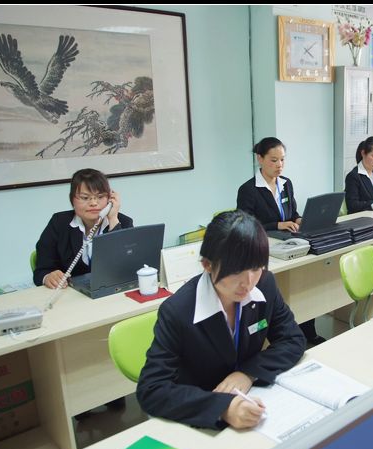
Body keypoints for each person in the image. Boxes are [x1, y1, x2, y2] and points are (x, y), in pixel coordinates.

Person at [136, 210, 306, 429]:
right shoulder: (178, 311)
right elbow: (152, 389)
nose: (248, 282)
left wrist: (248, 373)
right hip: (199, 415)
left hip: (251, 400)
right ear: (207, 265)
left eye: (256, 267)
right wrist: (223, 408)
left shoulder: (265, 285)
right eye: (236, 271)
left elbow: (293, 339)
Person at [237, 137, 325, 345]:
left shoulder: (286, 184)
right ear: (260, 159)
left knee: (306, 281)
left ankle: (308, 330)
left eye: (282, 160)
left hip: (291, 242)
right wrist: (277, 224)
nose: (279, 165)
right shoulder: (248, 190)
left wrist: (299, 219)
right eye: (274, 160)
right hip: (266, 247)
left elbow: (292, 213)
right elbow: (246, 225)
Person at [34, 168, 132, 288]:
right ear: (72, 200)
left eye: (100, 197)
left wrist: (113, 221)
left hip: (110, 293)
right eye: (85, 198)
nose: (93, 203)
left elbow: (128, 269)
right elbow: (41, 270)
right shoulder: (59, 223)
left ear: (110, 199)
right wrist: (48, 276)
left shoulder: (123, 223)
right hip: (69, 293)